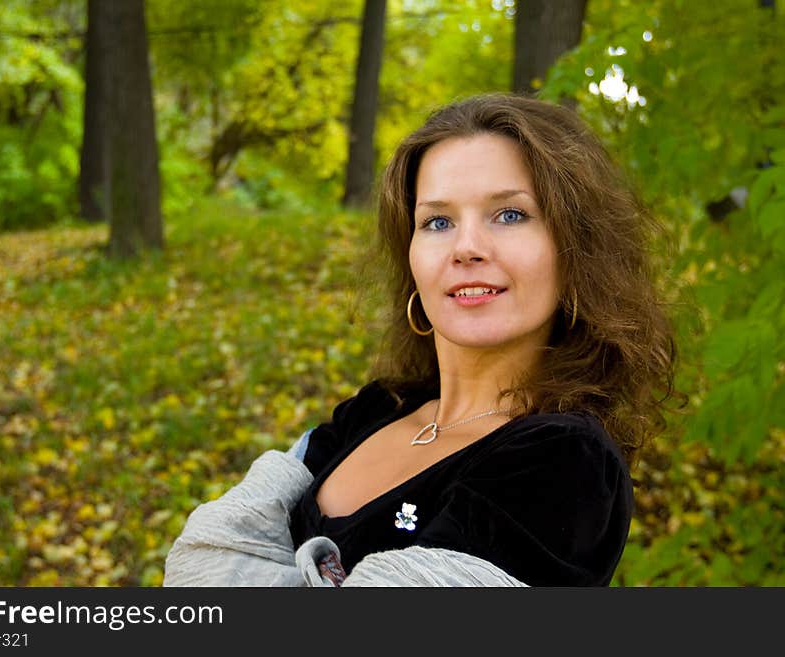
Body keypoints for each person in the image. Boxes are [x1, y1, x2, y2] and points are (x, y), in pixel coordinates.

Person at [163, 93, 678, 587]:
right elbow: (196, 563)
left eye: (510, 214)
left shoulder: (566, 463)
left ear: (575, 253)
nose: (466, 247)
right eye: (437, 221)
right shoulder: (373, 411)